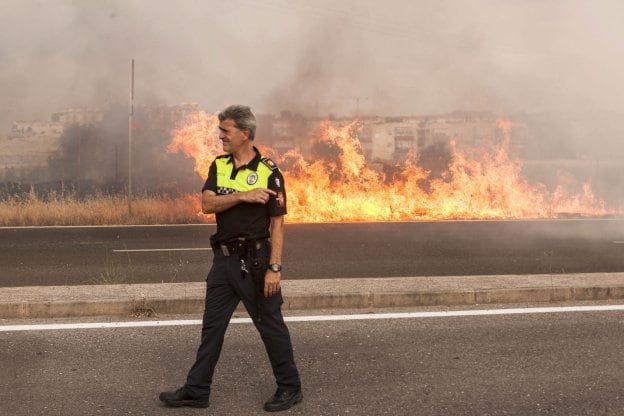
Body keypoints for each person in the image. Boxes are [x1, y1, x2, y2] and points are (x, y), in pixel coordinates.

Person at [159, 105, 302, 412]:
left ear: (245, 134)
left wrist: (274, 268)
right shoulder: (219, 165)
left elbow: (277, 223)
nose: (220, 135)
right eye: (220, 130)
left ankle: (290, 387)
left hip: (256, 261)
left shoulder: (269, 171)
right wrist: (242, 196)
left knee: (270, 325)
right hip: (223, 261)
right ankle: (197, 390)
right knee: (212, 327)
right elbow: (206, 203)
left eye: (226, 131)